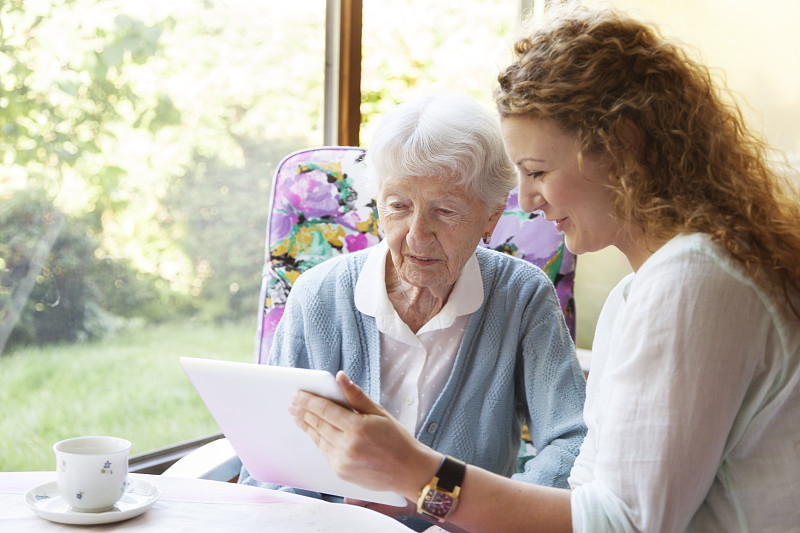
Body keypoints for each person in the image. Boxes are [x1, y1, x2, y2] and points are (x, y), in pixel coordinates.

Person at [287, 5, 800, 532]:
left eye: (537, 171)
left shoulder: (693, 283)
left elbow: (621, 525)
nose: (526, 201)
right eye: (398, 206)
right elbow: (588, 497)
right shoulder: (641, 292)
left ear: (623, 147)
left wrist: (417, 473)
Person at [241, 94, 588, 530]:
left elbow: (572, 444)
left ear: (491, 217)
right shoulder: (318, 296)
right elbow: (270, 467)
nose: (417, 236)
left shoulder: (521, 296)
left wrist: (472, 517)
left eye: (445, 211)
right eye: (398, 206)